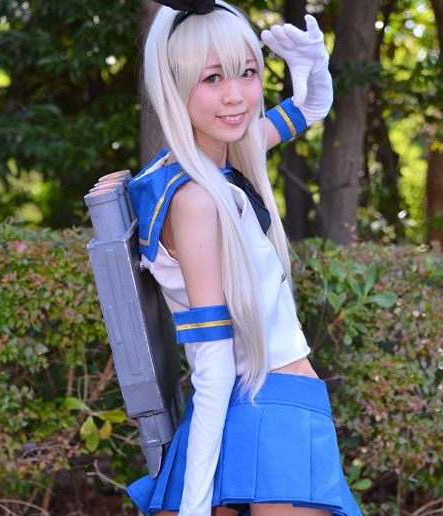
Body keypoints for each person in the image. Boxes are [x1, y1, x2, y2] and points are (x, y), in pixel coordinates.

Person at [126, 1, 362, 515]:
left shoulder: (205, 166)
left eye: (248, 73)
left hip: (249, 406)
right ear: (173, 85)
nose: (235, 96)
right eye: (212, 78)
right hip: (262, 406)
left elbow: (308, 109)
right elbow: (212, 361)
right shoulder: (196, 199)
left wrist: (313, 66)